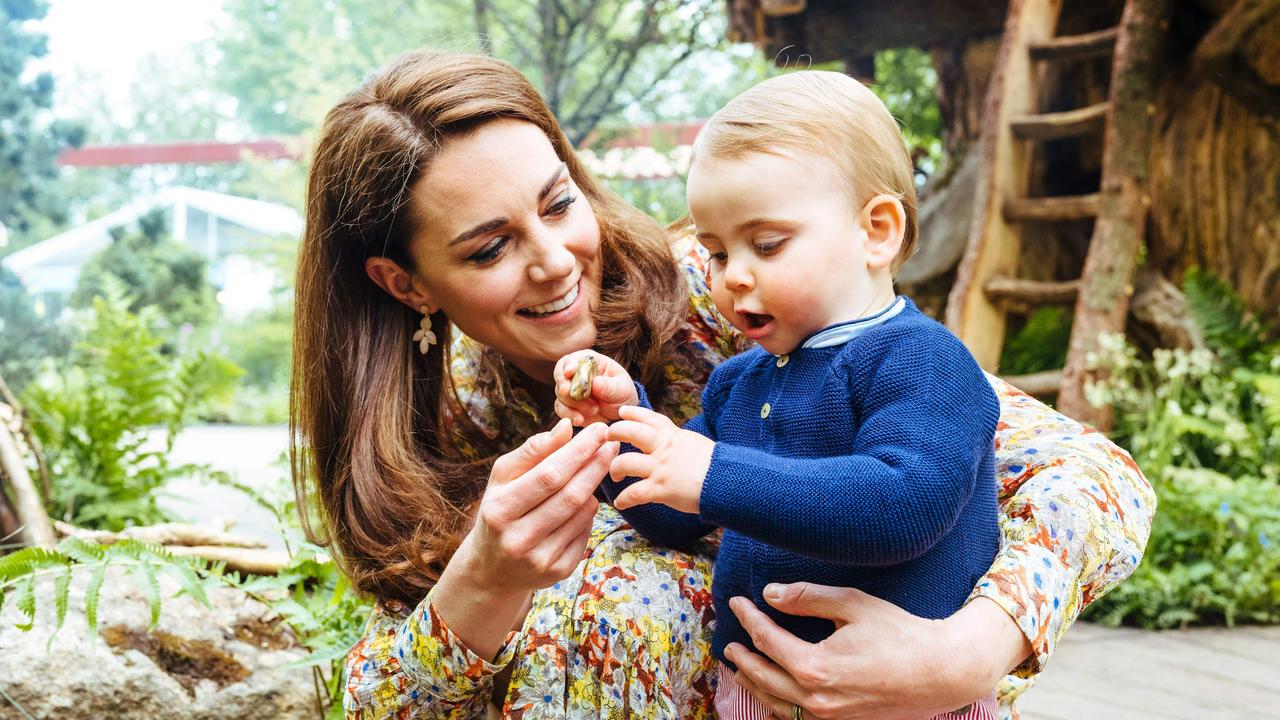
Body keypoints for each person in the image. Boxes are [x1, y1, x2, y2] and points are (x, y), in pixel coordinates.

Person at [289, 49, 1154, 720]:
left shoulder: (744, 298)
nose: (555, 263)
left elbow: (1096, 478)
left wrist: (969, 651)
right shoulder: (440, 427)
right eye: (489, 248)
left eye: (558, 205)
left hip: (878, 681)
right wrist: (486, 578)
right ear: (404, 284)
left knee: (613, 591)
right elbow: (380, 699)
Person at [552, 70, 1002, 720]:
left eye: (766, 244)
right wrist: (617, 425)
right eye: (715, 251)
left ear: (876, 231)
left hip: (900, 697)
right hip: (759, 691)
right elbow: (676, 515)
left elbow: (905, 505)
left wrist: (711, 470)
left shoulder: (920, 358)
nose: (734, 276)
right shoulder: (741, 382)